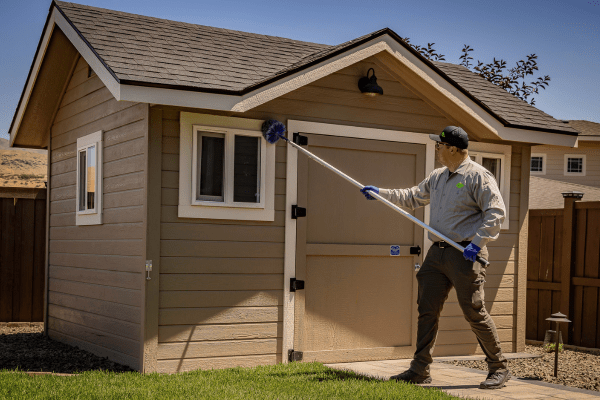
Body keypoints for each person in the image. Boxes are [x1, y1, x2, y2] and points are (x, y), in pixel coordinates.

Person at [360, 126, 510, 390]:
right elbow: (411, 197)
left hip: (466, 253)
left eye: (440, 145)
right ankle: (419, 370)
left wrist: (477, 243)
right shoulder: (438, 177)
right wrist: (380, 193)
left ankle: (499, 367)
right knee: (427, 310)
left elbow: (496, 213)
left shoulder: (478, 176)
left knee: (474, 311)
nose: (437, 149)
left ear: (452, 148)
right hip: (437, 254)